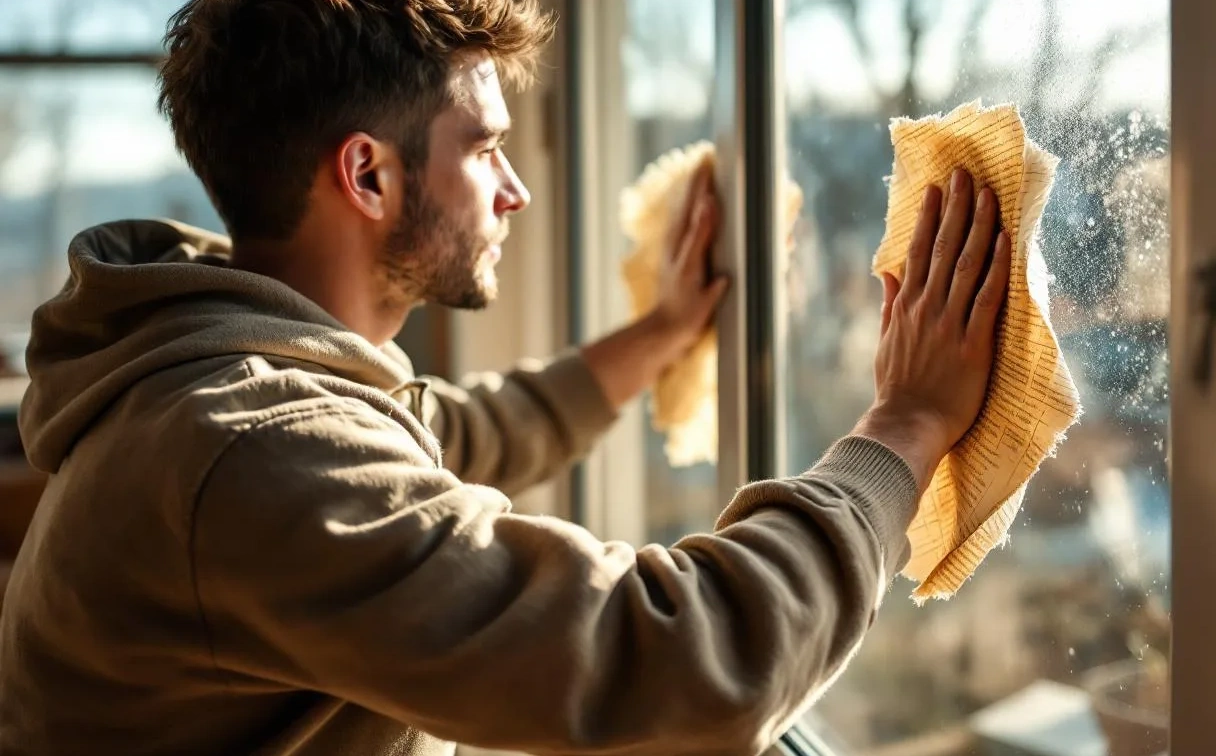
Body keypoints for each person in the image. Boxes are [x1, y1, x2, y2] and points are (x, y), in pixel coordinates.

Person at [0, 1, 1010, 754]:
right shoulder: (245, 447)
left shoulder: (232, 373)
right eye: (484, 148)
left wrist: (661, 331)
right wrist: (908, 425)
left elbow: (467, 430)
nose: (518, 191)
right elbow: (682, 659)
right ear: (367, 175)